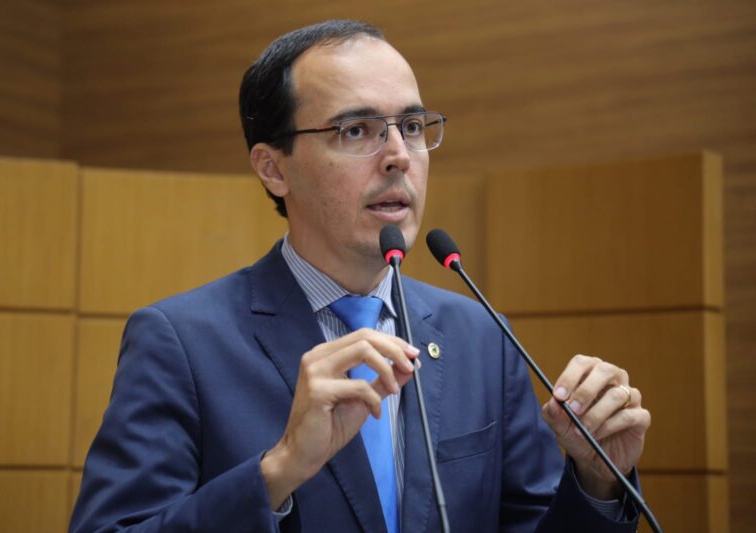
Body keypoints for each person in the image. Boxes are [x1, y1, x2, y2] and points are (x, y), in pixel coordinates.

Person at [70, 20, 651, 532]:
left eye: (412, 126)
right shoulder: (181, 342)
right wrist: (278, 471)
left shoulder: (481, 337)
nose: (399, 155)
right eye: (357, 131)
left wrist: (597, 480)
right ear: (273, 169)